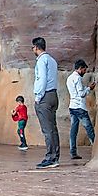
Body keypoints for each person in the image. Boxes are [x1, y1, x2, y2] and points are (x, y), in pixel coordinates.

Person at [32, 37, 59, 168]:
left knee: (47, 129)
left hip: (45, 96)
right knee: (53, 128)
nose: (33, 50)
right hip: (53, 94)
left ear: (36, 47)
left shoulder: (42, 60)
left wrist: (38, 97)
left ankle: (50, 157)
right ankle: (55, 156)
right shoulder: (52, 60)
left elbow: (42, 79)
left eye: (33, 47)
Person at [67, 59, 96, 159]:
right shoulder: (78, 78)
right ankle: (96, 149)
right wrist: (89, 88)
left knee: (73, 131)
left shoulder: (69, 78)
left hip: (72, 106)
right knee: (89, 128)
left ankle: (73, 152)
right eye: (84, 70)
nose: (84, 72)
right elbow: (81, 94)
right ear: (80, 68)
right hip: (80, 107)